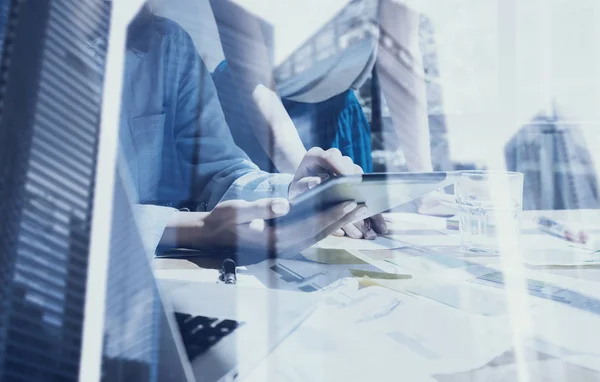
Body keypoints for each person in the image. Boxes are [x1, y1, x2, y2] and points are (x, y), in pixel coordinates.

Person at [118, 5, 387, 258]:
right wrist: (194, 229)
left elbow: (220, 173)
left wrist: (297, 191)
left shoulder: (168, 45)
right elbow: (80, 217)